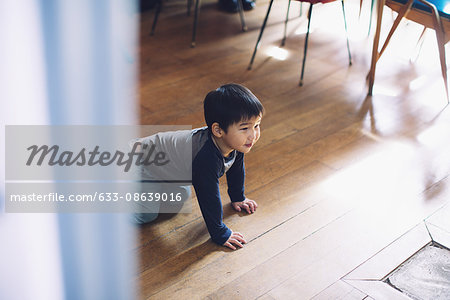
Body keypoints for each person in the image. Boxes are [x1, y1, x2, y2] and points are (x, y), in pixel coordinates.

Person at [133, 83, 264, 250]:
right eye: (245, 128)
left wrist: (238, 197)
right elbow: (208, 197)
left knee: (178, 199)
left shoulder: (236, 143)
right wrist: (220, 232)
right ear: (218, 130)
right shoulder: (205, 157)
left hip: (163, 171)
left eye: (257, 125)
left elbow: (236, 170)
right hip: (137, 165)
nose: (253, 135)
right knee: (146, 213)